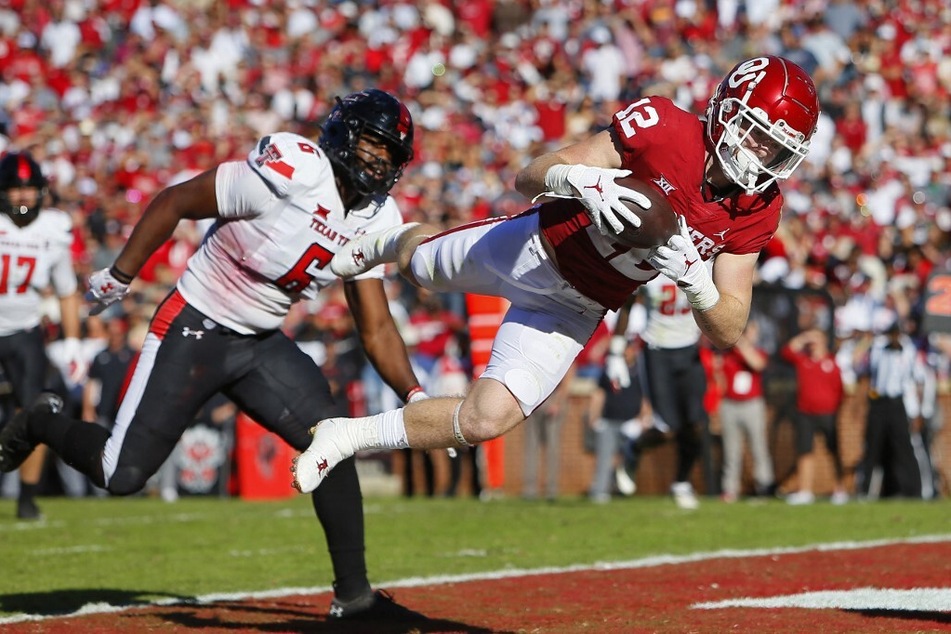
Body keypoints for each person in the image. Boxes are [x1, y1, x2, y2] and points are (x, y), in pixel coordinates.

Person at [290, 56, 821, 498]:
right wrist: (583, 180)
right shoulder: (663, 126)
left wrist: (697, 283)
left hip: (577, 307)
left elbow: (729, 327)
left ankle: (348, 435)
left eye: (776, 148)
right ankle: (384, 240)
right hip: (533, 246)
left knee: (484, 420)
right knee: (419, 267)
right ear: (726, 110)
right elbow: (530, 176)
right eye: (756, 135)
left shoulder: (760, 208)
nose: (762, 156)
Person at [0, 90, 428, 621]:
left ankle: (356, 598)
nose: (378, 160)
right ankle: (40, 420)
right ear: (343, 134)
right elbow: (177, 200)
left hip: (259, 342)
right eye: (372, 143)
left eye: (390, 154)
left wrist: (416, 396)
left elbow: (377, 326)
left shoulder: (377, 216)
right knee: (122, 474)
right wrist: (121, 274)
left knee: (332, 442)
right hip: (195, 323)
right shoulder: (294, 169)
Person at [0, 151, 85, 520]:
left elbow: (66, 291)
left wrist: (72, 341)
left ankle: (27, 498)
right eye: (15, 189)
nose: (22, 198)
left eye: (29, 189)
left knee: (34, 413)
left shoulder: (53, 230)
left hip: (25, 332)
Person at [854, 321, 924, 499]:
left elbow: (915, 382)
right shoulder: (877, 350)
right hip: (878, 402)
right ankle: (866, 490)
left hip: (897, 403)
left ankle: (911, 490)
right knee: (873, 446)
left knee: (903, 447)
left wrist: (916, 412)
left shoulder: (908, 352)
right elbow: (861, 370)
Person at [780, 327, 848, 505]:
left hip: (827, 413)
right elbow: (786, 352)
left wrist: (835, 409)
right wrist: (803, 337)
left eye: (817, 339)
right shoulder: (803, 360)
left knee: (833, 451)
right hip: (805, 413)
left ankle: (839, 489)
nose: (813, 343)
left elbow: (840, 390)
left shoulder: (832, 363)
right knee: (805, 452)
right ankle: (805, 490)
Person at [716, 318, 775, 503]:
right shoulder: (727, 354)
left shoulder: (758, 352)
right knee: (731, 450)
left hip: (752, 405)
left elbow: (757, 364)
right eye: (752, 331)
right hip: (730, 405)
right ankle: (730, 489)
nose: (755, 335)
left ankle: (764, 485)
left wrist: (742, 343)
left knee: (758, 446)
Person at [587, 335, 652, 503]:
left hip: (631, 423)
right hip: (609, 420)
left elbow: (646, 398)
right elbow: (599, 393)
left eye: (628, 349)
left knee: (629, 459)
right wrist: (594, 417)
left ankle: (625, 491)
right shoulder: (610, 368)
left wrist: (642, 419)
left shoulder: (641, 372)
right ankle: (600, 491)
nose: (625, 353)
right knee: (605, 458)